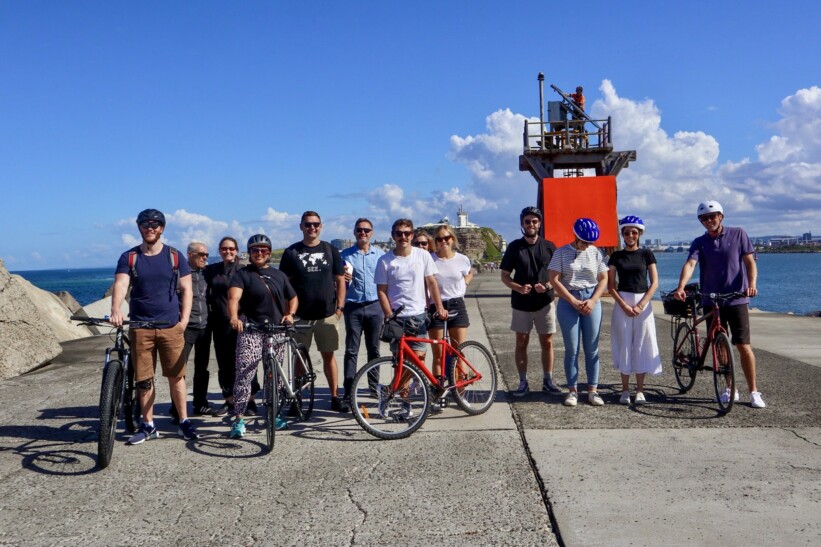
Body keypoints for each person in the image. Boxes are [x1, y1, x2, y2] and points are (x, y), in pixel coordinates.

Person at [110, 208, 200, 443]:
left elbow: (187, 289)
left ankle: (183, 421)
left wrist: (183, 321)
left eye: (155, 224)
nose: (150, 228)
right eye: (145, 224)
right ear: (139, 227)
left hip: (171, 326)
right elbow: (121, 284)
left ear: (162, 228)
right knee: (144, 379)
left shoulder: (175, 255)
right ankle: (148, 424)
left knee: (176, 377)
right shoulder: (129, 257)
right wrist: (116, 309)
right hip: (141, 326)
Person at [674, 201, 765, 409]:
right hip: (711, 299)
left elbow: (750, 262)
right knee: (720, 346)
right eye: (704, 218)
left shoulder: (738, 234)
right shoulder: (699, 242)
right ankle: (728, 388)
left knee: (743, 345)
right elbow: (690, 264)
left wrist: (751, 285)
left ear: (721, 216)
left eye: (712, 216)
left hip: (737, 298)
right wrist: (680, 286)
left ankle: (753, 391)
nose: (708, 221)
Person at [227, 234, 298, 438]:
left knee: (273, 376)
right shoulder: (242, 274)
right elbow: (234, 297)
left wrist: (290, 314)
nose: (260, 253)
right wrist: (234, 317)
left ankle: (273, 414)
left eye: (264, 250)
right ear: (249, 253)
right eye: (255, 250)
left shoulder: (279, 275)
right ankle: (239, 419)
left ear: (269, 253)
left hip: (276, 330)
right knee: (244, 374)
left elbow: (293, 298)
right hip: (251, 330)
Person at [279, 211, 349, 412]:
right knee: (299, 359)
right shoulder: (291, 252)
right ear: (301, 226)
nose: (312, 228)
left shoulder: (330, 250)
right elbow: (284, 286)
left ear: (321, 226)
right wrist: (288, 312)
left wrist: (340, 308)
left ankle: (335, 397)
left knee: (329, 356)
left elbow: (340, 280)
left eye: (316, 224)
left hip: (327, 315)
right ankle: (297, 398)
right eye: (308, 224)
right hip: (301, 316)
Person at [548, 218, 609, 407]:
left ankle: (592, 390)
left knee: (592, 348)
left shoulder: (596, 253)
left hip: (591, 298)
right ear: (575, 236)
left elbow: (604, 278)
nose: (587, 245)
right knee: (572, 348)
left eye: (590, 242)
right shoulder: (561, 253)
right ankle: (572, 390)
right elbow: (554, 279)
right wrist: (572, 300)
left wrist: (593, 300)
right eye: (584, 241)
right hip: (569, 300)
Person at [500, 206, 560, 397]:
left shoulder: (550, 246)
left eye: (534, 221)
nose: (531, 224)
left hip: (545, 302)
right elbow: (505, 276)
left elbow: (559, 275)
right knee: (521, 342)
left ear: (540, 223)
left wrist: (548, 286)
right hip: (521, 304)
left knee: (547, 342)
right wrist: (518, 287)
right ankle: (523, 381)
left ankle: (548, 380)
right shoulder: (514, 247)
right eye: (527, 221)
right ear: (522, 224)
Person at [608, 216, 662, 405]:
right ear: (622, 234)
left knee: (641, 344)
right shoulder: (616, 256)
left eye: (634, 232)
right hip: (622, 301)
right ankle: (624, 390)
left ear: (639, 234)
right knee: (624, 344)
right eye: (626, 232)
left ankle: (639, 390)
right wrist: (624, 305)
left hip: (643, 303)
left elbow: (654, 283)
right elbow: (611, 285)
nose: (630, 235)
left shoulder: (646, 254)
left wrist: (641, 305)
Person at [375, 219, 447, 360]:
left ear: (412, 235)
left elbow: (432, 282)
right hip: (396, 317)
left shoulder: (423, 255)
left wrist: (439, 307)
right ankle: (400, 384)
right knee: (399, 359)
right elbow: (381, 290)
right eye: (399, 233)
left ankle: (398, 384)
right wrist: (389, 314)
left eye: (407, 233)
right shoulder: (384, 260)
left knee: (418, 357)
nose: (403, 237)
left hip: (418, 314)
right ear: (393, 235)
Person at [205, 236, 258, 417]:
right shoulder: (212, 270)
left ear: (236, 250)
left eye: (231, 249)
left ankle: (250, 400)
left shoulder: (244, 270)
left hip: (243, 323)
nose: (228, 251)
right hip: (220, 323)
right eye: (224, 248)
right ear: (219, 250)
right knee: (224, 363)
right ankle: (229, 400)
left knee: (246, 362)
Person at [339, 218, 385, 402]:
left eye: (366, 230)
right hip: (353, 306)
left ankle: (374, 388)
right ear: (354, 232)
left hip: (375, 306)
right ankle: (349, 390)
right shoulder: (345, 255)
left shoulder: (380, 255)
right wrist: (342, 277)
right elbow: (337, 279)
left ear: (372, 233)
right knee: (351, 350)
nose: (363, 233)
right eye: (359, 230)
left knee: (374, 349)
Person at [170, 241, 213, 422]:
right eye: (201, 254)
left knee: (202, 368)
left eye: (206, 255)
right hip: (185, 328)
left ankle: (200, 403)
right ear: (189, 254)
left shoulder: (207, 274)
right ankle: (177, 409)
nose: (205, 258)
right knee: (179, 370)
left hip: (205, 327)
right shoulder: (177, 274)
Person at [429, 224, 474, 384]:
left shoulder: (462, 259)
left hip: (457, 304)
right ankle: (439, 388)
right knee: (439, 353)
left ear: (452, 239)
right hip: (436, 305)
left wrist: (464, 284)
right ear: (435, 241)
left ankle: (459, 390)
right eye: (439, 239)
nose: (443, 241)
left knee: (458, 351)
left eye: (446, 238)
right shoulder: (430, 259)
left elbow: (469, 274)